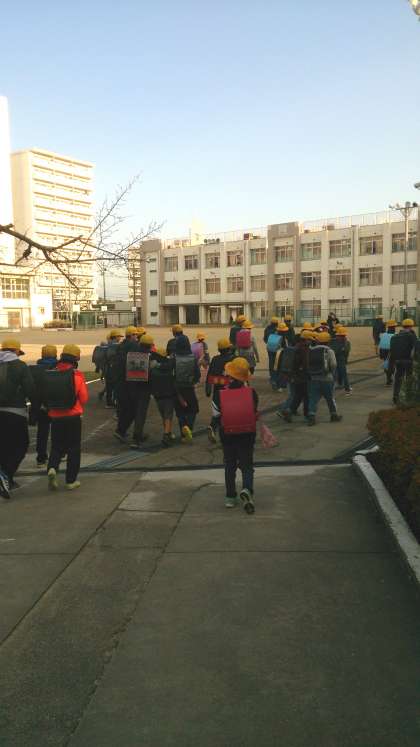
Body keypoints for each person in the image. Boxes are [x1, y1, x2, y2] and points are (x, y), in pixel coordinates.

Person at [212, 357, 258, 513]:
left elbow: (216, 415)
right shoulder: (251, 393)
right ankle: (247, 489)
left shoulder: (219, 394)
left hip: (228, 435)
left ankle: (230, 497)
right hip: (247, 434)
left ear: (230, 375)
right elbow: (254, 411)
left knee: (229, 465)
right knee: (247, 465)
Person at [46, 344, 88, 491]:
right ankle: (71, 480)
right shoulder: (77, 375)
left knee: (56, 446)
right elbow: (84, 398)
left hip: (55, 417)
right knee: (73, 448)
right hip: (73, 417)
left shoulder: (51, 373)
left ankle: (52, 467)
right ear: (75, 358)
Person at [0, 338, 35, 498]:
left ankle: (7, 478)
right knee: (21, 445)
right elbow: (30, 389)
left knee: (3, 445)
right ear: (15, 351)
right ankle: (6, 474)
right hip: (15, 412)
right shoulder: (20, 366)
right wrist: (35, 407)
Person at [115, 334, 155, 446]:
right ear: (150, 346)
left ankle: (120, 430)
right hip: (144, 389)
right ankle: (137, 438)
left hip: (130, 388)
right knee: (140, 413)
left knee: (131, 411)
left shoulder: (131, 355)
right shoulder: (149, 357)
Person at [29, 344, 58, 467]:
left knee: (42, 432)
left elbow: (31, 388)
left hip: (41, 405)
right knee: (58, 431)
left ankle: (41, 458)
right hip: (56, 405)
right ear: (55, 354)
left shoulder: (34, 369)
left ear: (42, 354)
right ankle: (59, 454)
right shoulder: (58, 368)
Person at [277, 328, 313, 422]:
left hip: (293, 376)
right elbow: (305, 364)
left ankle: (289, 412)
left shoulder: (295, 347)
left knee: (298, 396)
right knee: (304, 396)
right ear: (306, 340)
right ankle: (304, 414)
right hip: (301, 377)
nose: (311, 341)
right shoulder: (304, 349)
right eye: (310, 340)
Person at [307, 331, 342, 426]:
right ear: (328, 341)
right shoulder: (329, 351)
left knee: (313, 399)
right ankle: (333, 415)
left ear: (317, 341)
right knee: (330, 398)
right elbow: (334, 364)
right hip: (327, 378)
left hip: (314, 377)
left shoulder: (312, 350)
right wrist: (332, 373)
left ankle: (311, 416)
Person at [205, 338, 235, 443]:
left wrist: (208, 389)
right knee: (230, 412)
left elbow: (209, 375)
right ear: (229, 348)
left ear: (219, 349)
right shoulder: (233, 359)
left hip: (218, 390)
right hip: (230, 389)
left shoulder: (215, 359)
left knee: (217, 412)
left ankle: (212, 426)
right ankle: (229, 433)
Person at [173, 334, 201, 441]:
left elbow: (171, 374)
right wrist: (193, 381)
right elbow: (197, 374)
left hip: (177, 388)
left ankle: (183, 432)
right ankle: (189, 426)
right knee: (193, 409)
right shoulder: (192, 358)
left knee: (180, 411)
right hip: (189, 387)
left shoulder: (174, 358)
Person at [149, 347, 176, 447]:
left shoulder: (153, 369)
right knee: (168, 415)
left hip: (158, 396)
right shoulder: (169, 367)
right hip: (168, 395)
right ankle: (166, 435)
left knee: (164, 415)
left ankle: (168, 432)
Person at [389, 318, 417, 404]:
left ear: (402, 326)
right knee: (409, 378)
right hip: (408, 360)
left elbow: (391, 350)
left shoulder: (394, 337)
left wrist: (392, 363)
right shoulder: (411, 336)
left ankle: (395, 396)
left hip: (397, 360)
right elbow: (415, 348)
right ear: (411, 326)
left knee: (398, 378)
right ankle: (408, 396)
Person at [102, 329, 123, 408]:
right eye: (119, 336)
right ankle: (114, 402)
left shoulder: (107, 345)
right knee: (116, 386)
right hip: (114, 369)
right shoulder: (116, 346)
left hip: (107, 368)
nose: (120, 338)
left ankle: (109, 403)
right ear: (115, 337)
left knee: (109, 387)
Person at [330, 326, 351, 395]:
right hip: (337, 360)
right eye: (341, 336)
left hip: (339, 360)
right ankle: (346, 388)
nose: (341, 337)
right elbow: (346, 353)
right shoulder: (334, 341)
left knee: (340, 375)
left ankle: (346, 388)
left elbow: (345, 353)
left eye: (342, 336)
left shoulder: (335, 342)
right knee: (337, 375)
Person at [378, 320, 397, 385]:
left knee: (387, 366)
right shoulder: (395, 335)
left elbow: (381, 345)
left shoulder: (384, 335)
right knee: (392, 366)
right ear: (393, 327)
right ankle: (389, 378)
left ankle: (389, 378)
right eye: (394, 326)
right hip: (393, 354)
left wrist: (381, 354)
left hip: (385, 354)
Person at [273, 322, 290, 390]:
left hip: (276, 353)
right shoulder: (283, 337)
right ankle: (280, 385)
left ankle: (277, 383)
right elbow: (286, 346)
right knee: (282, 369)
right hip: (282, 353)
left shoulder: (275, 335)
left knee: (277, 369)